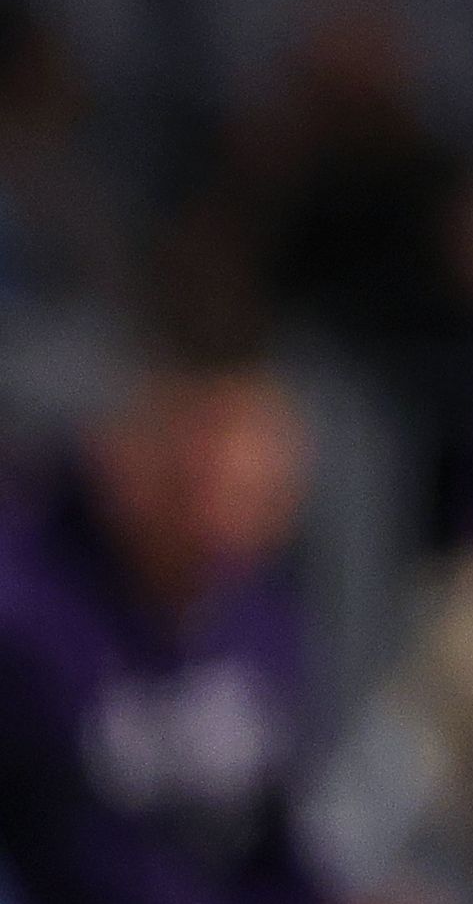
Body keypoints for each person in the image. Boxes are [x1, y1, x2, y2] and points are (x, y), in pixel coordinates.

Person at [0, 337, 320, 904]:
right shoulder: (24, 612)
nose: (223, 525)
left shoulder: (264, 619)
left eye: (259, 496)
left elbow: (275, 846)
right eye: (199, 482)